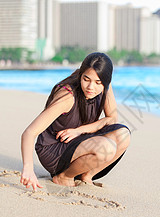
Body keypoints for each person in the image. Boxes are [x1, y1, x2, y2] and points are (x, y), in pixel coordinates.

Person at [20, 52, 131, 191]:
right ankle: (64, 176)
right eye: (86, 79)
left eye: (98, 82)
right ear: (81, 75)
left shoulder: (104, 87)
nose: (91, 87)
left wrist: (80, 130)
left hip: (78, 140)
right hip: (54, 149)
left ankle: (86, 176)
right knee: (107, 148)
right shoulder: (67, 97)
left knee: (123, 134)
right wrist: (28, 169)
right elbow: (29, 133)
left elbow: (112, 119)